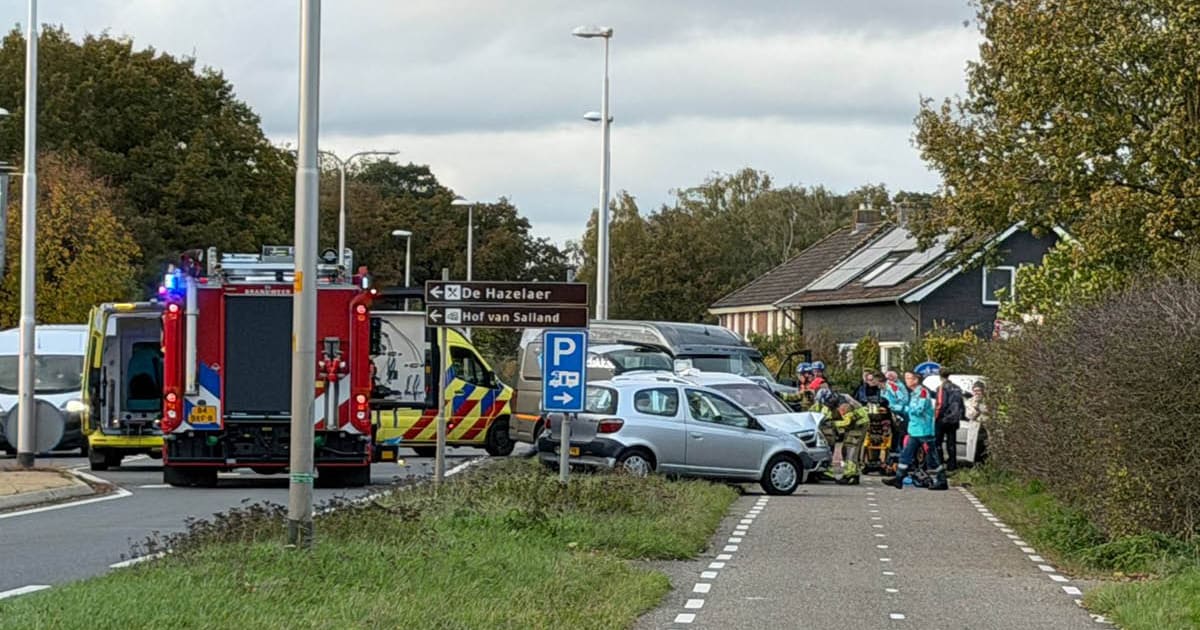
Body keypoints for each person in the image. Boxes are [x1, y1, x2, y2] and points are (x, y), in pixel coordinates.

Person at [883, 371, 947, 490]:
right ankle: (899, 478)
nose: (906, 381)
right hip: (915, 429)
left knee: (932, 455)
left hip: (924, 429)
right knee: (906, 455)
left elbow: (919, 409)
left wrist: (902, 408)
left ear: (916, 380)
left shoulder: (922, 392)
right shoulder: (914, 393)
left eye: (908, 378)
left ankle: (942, 480)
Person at [934, 371, 965, 471]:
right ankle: (952, 464)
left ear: (940, 377)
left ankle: (940, 463)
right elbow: (961, 404)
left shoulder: (941, 388)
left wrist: (937, 417)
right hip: (954, 420)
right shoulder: (957, 388)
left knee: (938, 442)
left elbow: (941, 404)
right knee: (951, 443)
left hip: (943, 418)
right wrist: (962, 416)